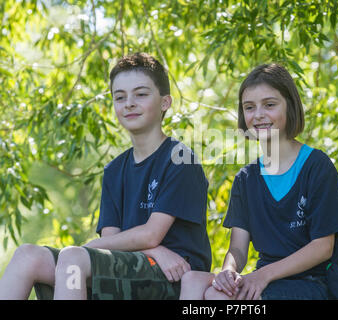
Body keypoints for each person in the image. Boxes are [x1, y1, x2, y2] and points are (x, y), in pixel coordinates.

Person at [0, 52, 211, 300]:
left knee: (74, 257)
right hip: (139, 262)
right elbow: (112, 241)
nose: (129, 103)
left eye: (141, 94)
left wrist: (86, 248)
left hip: (175, 273)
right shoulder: (115, 169)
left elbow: (151, 233)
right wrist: (155, 251)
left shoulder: (179, 159)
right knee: (27, 255)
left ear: (165, 102)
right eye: (120, 97)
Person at [180, 63, 338, 300]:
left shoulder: (316, 166)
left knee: (218, 298)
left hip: (316, 283)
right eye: (249, 107)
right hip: (267, 280)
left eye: (269, 105)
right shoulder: (246, 179)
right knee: (193, 281)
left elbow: (323, 247)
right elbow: (238, 249)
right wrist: (228, 271)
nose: (259, 114)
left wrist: (263, 275)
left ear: (290, 106)